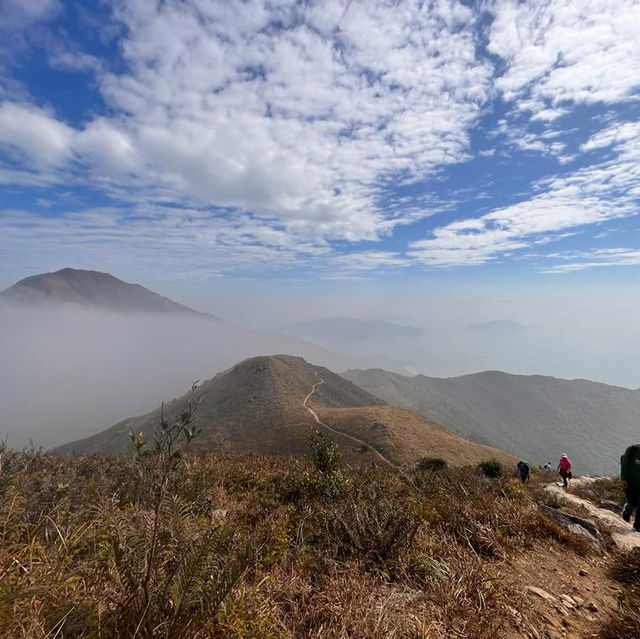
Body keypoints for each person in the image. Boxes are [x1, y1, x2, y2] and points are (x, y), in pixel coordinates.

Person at [621, 444, 640, 532]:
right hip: (631, 482)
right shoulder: (632, 450)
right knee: (632, 502)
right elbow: (624, 463)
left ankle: (637, 526)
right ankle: (627, 512)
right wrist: (623, 478)